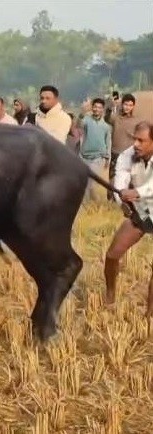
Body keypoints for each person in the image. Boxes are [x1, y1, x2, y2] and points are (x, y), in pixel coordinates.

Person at [103, 121, 153, 316]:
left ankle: (150, 315)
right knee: (112, 255)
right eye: (135, 139)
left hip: (145, 200)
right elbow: (121, 178)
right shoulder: (127, 154)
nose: (137, 144)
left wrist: (136, 192)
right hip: (140, 212)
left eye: (142, 140)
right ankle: (110, 295)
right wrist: (121, 198)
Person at [106, 93, 140, 201]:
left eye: (130, 105)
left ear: (133, 106)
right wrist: (110, 106)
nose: (128, 107)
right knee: (112, 178)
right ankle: (111, 201)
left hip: (130, 154)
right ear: (122, 104)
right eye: (126, 104)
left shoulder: (136, 121)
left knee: (130, 179)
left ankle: (126, 200)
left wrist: (135, 136)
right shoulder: (116, 118)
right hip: (116, 152)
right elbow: (107, 118)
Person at [77, 98, 112, 201]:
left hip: (98, 157)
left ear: (102, 109)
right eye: (95, 107)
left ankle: (90, 206)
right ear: (92, 108)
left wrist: (107, 157)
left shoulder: (106, 126)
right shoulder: (87, 120)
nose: (97, 109)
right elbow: (79, 125)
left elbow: (108, 142)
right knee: (84, 182)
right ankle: (85, 208)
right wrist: (82, 113)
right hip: (84, 156)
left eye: (99, 107)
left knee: (91, 183)